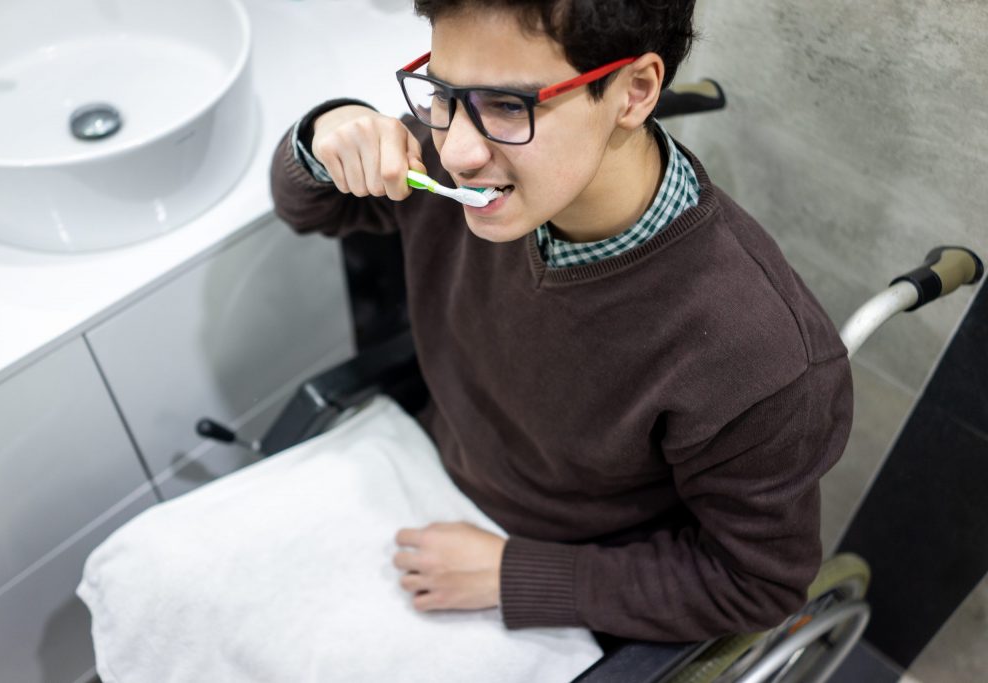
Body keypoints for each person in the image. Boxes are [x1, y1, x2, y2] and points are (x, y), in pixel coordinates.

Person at [270, 0, 852, 643]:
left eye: (510, 105)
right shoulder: (452, 155)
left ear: (633, 92)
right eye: (440, 91)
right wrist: (327, 134)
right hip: (421, 473)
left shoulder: (756, 353)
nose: (458, 151)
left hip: (574, 575)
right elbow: (308, 208)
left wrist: (509, 575)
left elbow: (754, 586)